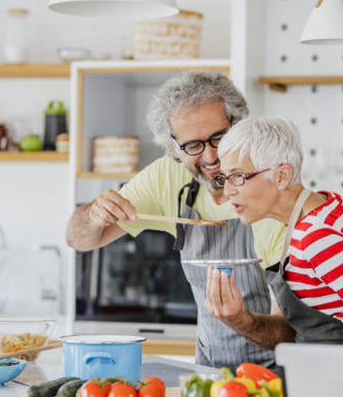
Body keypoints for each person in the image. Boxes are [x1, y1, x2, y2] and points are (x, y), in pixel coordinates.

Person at [66, 71, 290, 368]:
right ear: (174, 148)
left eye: (218, 138)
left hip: (276, 374)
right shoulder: (167, 178)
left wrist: (243, 322)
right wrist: (94, 215)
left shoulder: (271, 192)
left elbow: (288, 329)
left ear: (239, 126)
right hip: (207, 370)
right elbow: (77, 240)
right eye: (193, 146)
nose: (211, 157)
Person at [206, 117, 343, 348]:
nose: (228, 190)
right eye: (225, 177)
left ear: (281, 176)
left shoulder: (316, 237)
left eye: (238, 176)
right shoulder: (325, 206)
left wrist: (332, 372)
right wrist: (238, 318)